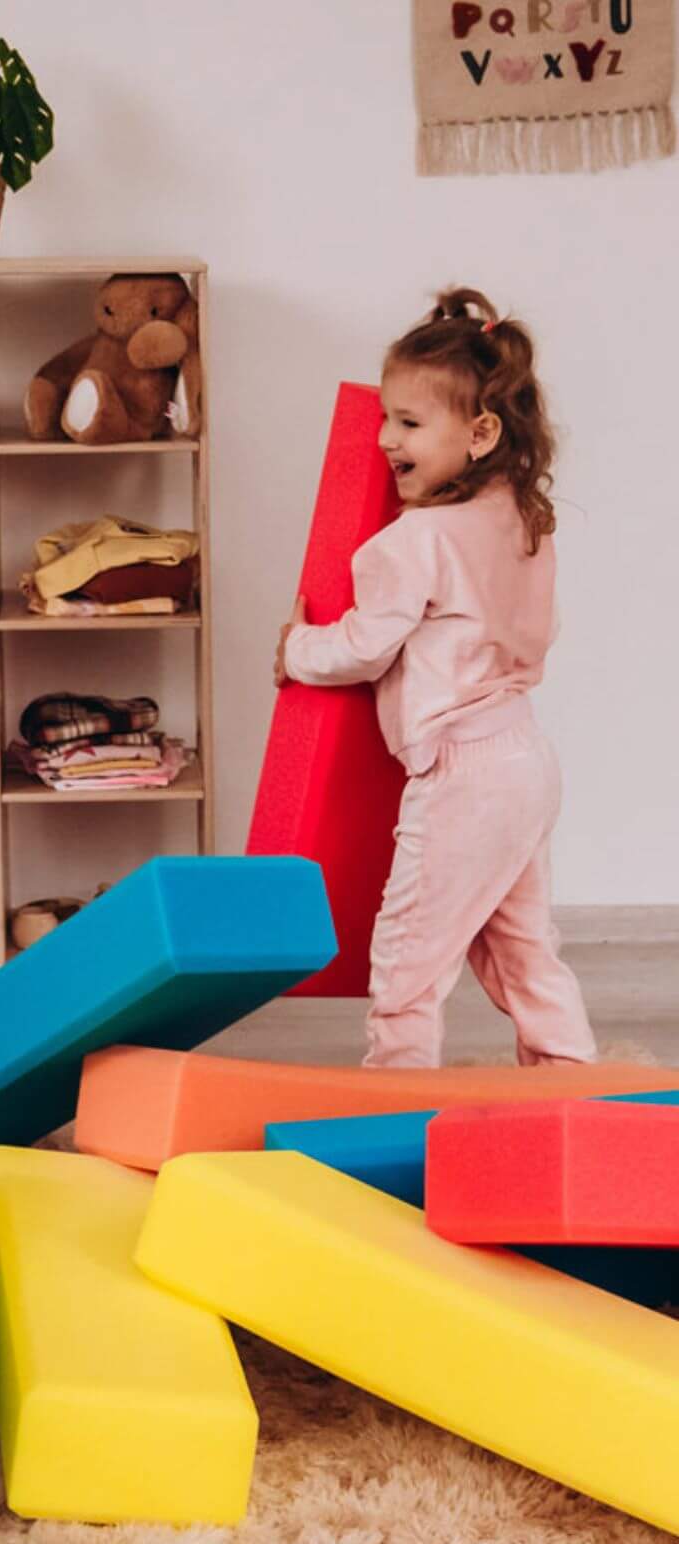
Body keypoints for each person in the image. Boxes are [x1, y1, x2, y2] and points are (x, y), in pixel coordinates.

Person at [276, 285, 596, 1070]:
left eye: (410, 423)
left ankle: (396, 1098)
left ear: (480, 432)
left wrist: (296, 648)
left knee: (409, 957)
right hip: (525, 758)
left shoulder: (413, 539)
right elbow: (539, 629)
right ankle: (574, 1084)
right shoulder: (519, 518)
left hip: (462, 774)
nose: (385, 440)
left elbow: (364, 646)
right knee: (522, 949)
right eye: (386, 417)